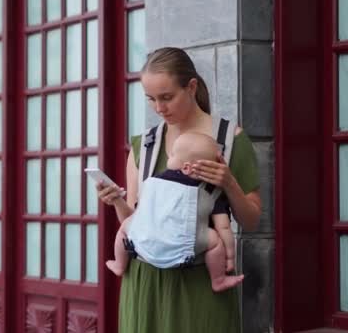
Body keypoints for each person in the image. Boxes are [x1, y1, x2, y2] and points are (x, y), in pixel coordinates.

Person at [97, 47, 261, 332]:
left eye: (167, 97)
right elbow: (133, 222)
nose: (159, 108)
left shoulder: (230, 140)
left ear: (192, 87)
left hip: (200, 289)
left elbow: (252, 220)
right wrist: (116, 202)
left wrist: (228, 183)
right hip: (144, 286)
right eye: (151, 99)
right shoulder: (144, 146)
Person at [105, 132, 244, 292]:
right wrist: (230, 257)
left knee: (124, 229)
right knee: (215, 241)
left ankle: (119, 264)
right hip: (182, 248)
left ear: (186, 167)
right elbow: (224, 228)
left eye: (171, 155)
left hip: (145, 244)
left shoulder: (152, 182)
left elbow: (140, 214)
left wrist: (117, 200)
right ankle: (218, 279)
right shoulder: (211, 191)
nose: (169, 157)